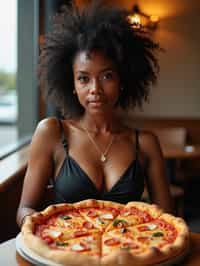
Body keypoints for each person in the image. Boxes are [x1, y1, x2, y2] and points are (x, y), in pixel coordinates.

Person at [16, 1, 173, 228]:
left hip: (129, 255)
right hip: (66, 252)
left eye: (107, 76)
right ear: (72, 85)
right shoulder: (51, 132)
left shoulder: (146, 143)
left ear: (122, 80)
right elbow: (24, 209)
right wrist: (43, 226)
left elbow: (167, 220)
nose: (95, 89)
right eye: (83, 78)